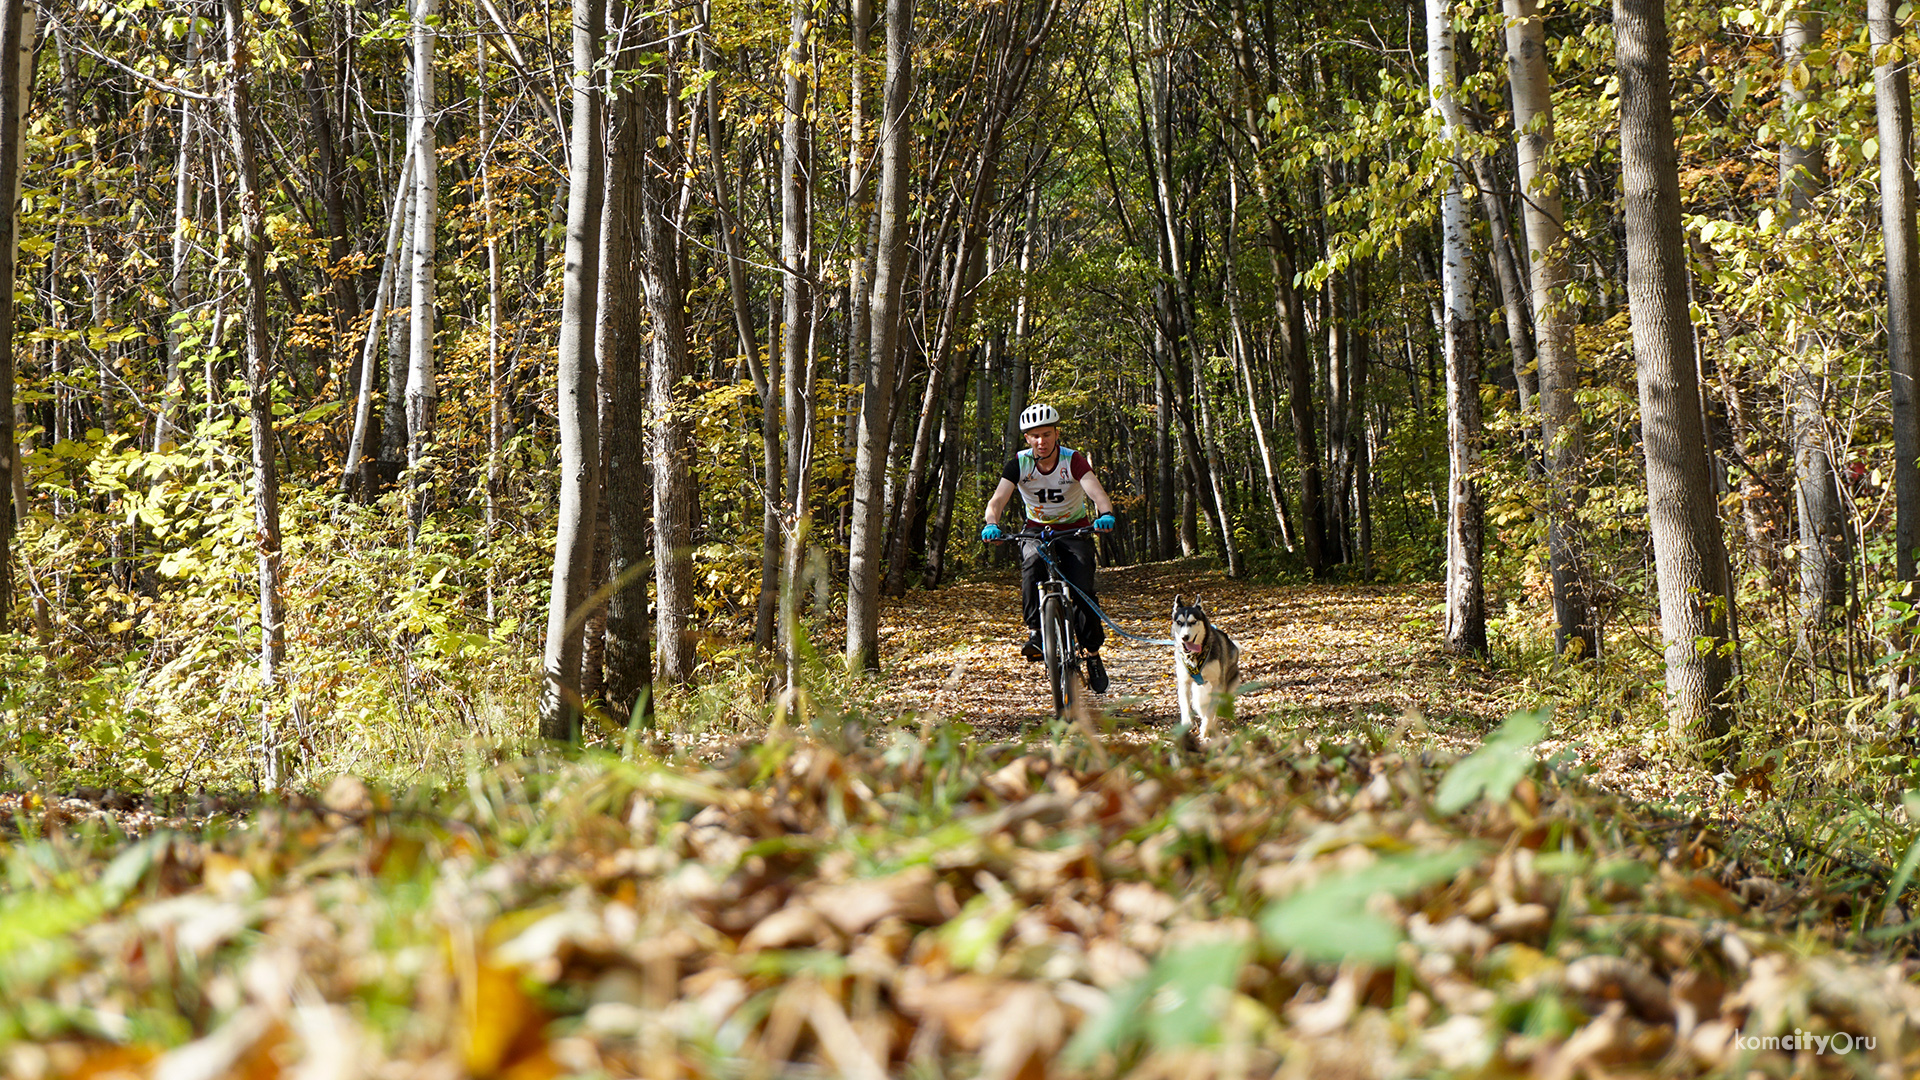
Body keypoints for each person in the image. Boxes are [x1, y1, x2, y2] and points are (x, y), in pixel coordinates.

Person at [980, 403, 1117, 694]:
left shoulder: (1073, 460)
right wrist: (991, 522)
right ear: (1027, 438)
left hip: (1075, 530)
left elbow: (1097, 493)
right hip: (1036, 530)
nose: (1041, 442)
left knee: (1082, 590)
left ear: (1056, 433)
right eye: (1034, 436)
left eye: (1046, 434)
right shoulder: (1019, 463)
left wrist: (1104, 514)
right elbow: (998, 500)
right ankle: (1037, 633)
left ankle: (1092, 655)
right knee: (1031, 563)